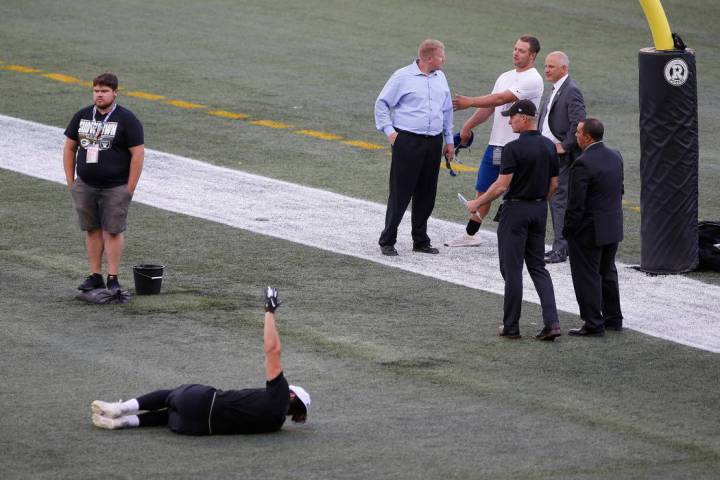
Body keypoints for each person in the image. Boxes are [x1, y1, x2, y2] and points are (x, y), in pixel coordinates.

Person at [91, 287, 312, 434]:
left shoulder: (280, 395)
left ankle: (120, 409)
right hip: (191, 428)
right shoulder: (275, 424)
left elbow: (272, 350)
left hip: (200, 401)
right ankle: (123, 423)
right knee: (168, 416)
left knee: (170, 395)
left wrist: (269, 311)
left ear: (290, 395)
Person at [466, 100, 560, 340]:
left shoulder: (512, 148)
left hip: (516, 212)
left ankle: (511, 326)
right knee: (538, 267)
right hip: (539, 211)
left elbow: (501, 186)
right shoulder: (549, 147)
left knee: (512, 269)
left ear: (525, 118)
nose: (509, 121)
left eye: (512, 117)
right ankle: (552, 323)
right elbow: (554, 185)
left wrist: (477, 203)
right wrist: (538, 202)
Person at [446, 35, 543, 247]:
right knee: (483, 190)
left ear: (533, 55)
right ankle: (471, 234)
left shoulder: (533, 79)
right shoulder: (505, 76)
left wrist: (469, 101)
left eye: (522, 50)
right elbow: (490, 107)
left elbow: (502, 99)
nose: (516, 53)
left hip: (520, 146)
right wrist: (468, 126)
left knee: (515, 193)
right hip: (497, 144)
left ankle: (519, 237)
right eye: (515, 48)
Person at [63, 72, 145, 292]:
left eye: (104, 91)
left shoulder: (127, 119)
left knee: (113, 231)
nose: (99, 95)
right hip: (85, 184)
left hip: (116, 186)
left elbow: (138, 154)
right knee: (91, 229)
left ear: (115, 93)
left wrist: (130, 188)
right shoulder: (82, 116)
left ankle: (113, 277)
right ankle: (95, 275)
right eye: (96, 91)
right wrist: (71, 182)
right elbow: (70, 148)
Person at [374, 39, 454, 256]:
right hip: (408, 141)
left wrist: (449, 141)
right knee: (401, 192)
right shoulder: (402, 76)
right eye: (441, 55)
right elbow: (382, 104)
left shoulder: (441, 77)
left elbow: (446, 111)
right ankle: (387, 239)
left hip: (434, 141)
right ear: (428, 58)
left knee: (427, 193)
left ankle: (420, 240)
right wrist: (390, 132)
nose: (444, 59)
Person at [564, 119, 624, 337]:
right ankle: (613, 318)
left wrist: (568, 230)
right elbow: (620, 190)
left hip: (588, 231)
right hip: (612, 226)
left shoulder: (582, 163)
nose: (576, 136)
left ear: (588, 137)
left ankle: (593, 323)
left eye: (578, 132)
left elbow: (576, 204)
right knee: (607, 272)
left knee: (586, 276)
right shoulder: (615, 155)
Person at [537, 52, 586, 263]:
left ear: (563, 69)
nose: (546, 70)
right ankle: (559, 246)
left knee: (559, 202)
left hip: (562, 158)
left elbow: (579, 123)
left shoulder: (571, 91)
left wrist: (564, 146)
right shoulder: (557, 88)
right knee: (554, 200)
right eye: (546, 66)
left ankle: (561, 248)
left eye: (551, 67)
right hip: (549, 154)